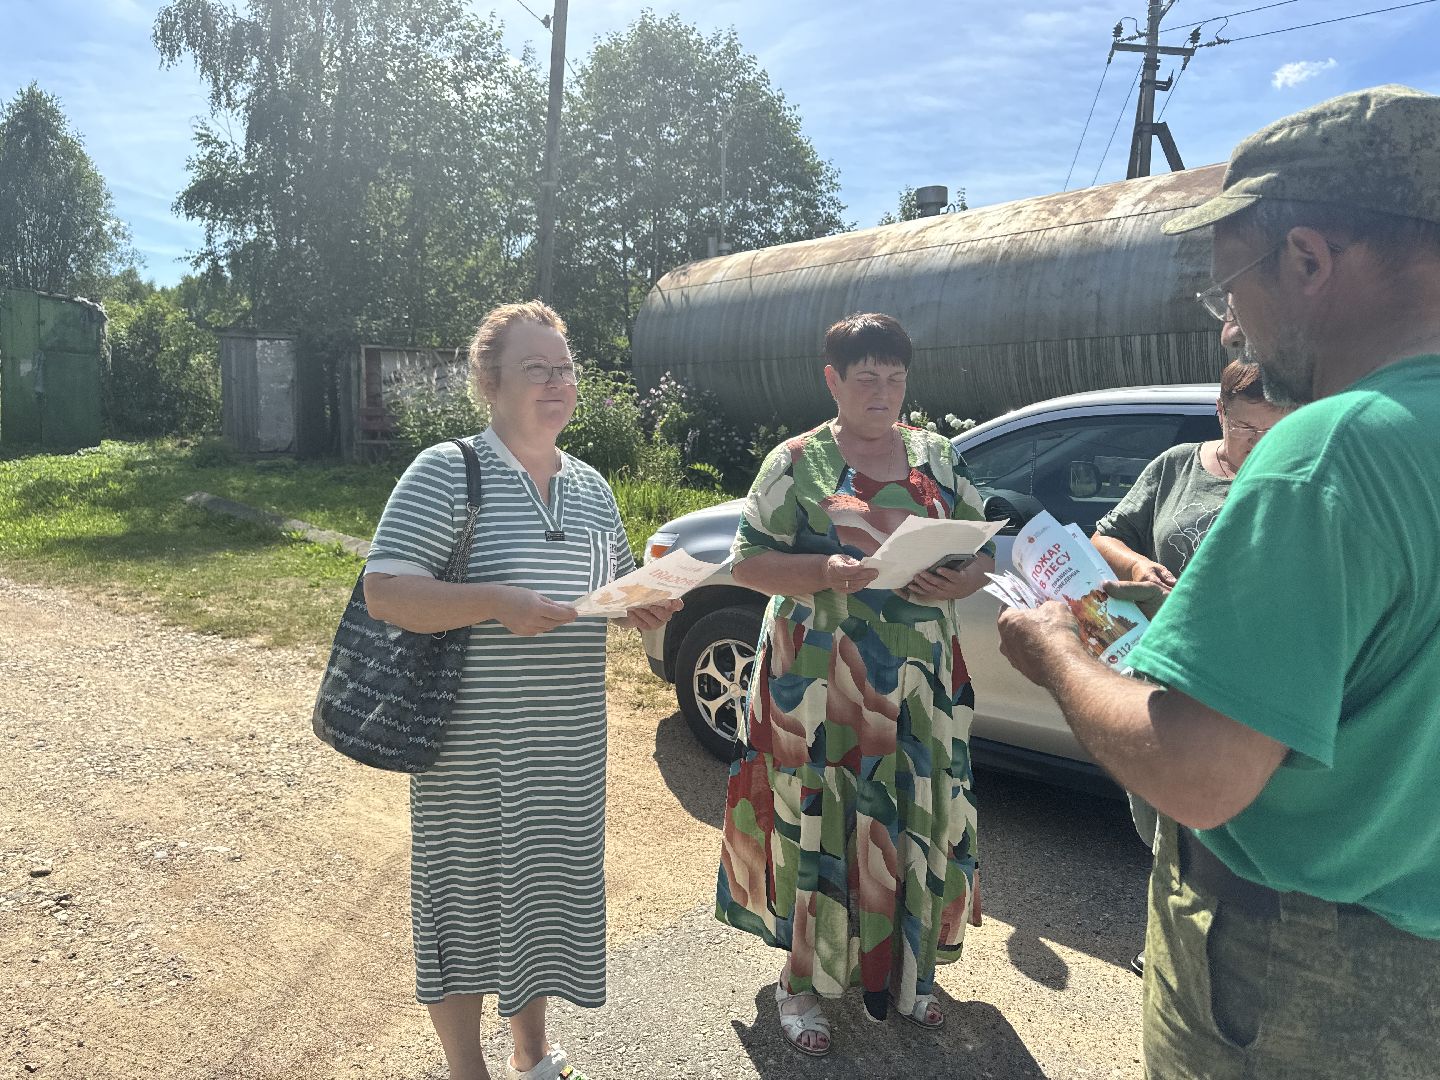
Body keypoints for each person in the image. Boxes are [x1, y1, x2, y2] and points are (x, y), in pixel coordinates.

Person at [996, 84, 1440, 1078]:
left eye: (1228, 283)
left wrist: (1061, 653)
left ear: (1309, 257)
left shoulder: (1329, 451)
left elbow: (1198, 773)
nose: (1232, 323)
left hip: (1297, 982)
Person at [362, 301, 680, 1080]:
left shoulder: (594, 486)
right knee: (466, 909)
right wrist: (496, 601)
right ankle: (467, 1070)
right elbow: (386, 592)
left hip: (567, 746)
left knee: (539, 899)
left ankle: (530, 1053)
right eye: (535, 368)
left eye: (565, 368)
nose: (556, 383)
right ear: (491, 382)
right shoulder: (448, 469)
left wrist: (636, 607)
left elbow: (601, 596)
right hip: (470, 751)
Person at [714, 312, 996, 1057]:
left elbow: (982, 552)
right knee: (822, 823)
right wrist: (820, 572)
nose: (882, 391)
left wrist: (960, 576)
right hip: (822, 690)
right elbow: (745, 562)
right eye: (865, 377)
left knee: (914, 819)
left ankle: (910, 974)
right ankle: (799, 984)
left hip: (920, 690)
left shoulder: (937, 456)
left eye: (895, 377)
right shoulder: (795, 461)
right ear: (832, 379)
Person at [1091, 352, 1291, 977]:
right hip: (1157, 668)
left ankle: (1198, 956)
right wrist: (1134, 566)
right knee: (1153, 813)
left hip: (1238, 681)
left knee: (1220, 822)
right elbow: (1105, 533)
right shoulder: (1177, 466)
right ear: (1219, 412)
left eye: (1272, 428)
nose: (1256, 442)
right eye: (1244, 427)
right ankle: (1167, 931)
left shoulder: (1292, 479)